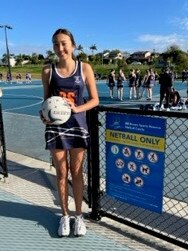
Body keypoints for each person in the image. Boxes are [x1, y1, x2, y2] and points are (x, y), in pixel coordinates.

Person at [40, 28, 99, 237]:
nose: (60, 48)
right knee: (61, 173)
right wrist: (44, 114)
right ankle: (65, 216)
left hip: (77, 128)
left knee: (76, 173)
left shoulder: (85, 68)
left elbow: (94, 99)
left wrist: (77, 109)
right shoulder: (48, 71)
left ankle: (78, 217)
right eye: (56, 44)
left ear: (73, 45)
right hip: (55, 129)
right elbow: (46, 101)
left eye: (64, 43)